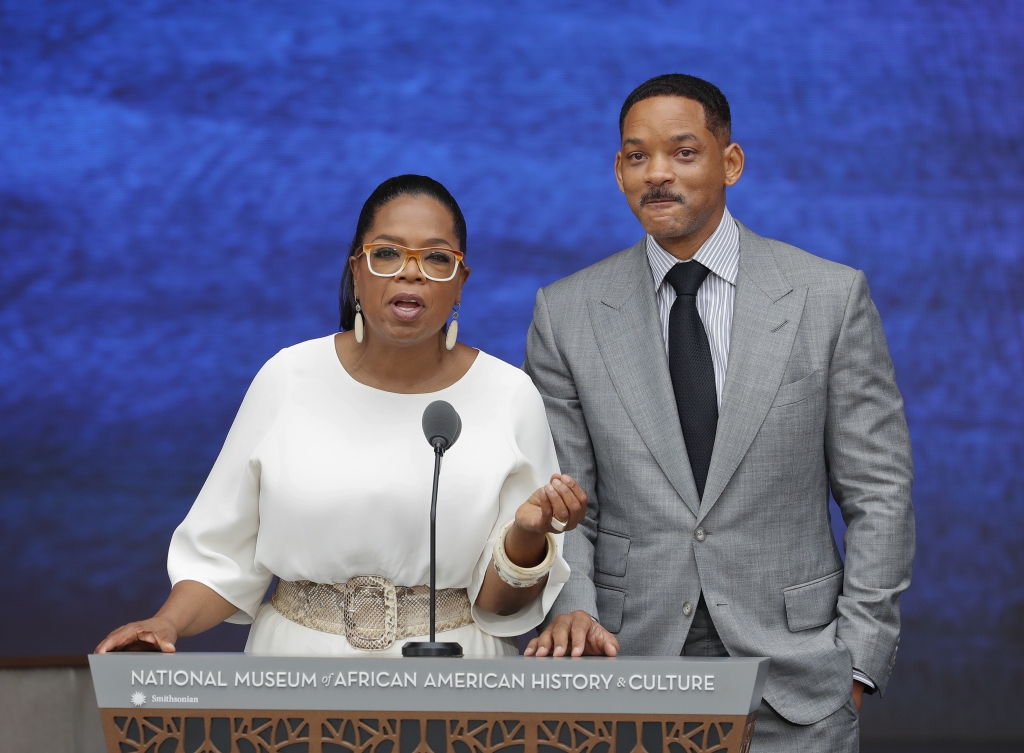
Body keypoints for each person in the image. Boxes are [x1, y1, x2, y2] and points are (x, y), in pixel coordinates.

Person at [522, 74, 914, 751]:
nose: (658, 175)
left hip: (797, 679)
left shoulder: (829, 297)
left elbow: (878, 491)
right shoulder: (565, 313)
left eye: (683, 152)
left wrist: (858, 660)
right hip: (625, 667)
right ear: (618, 171)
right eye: (637, 156)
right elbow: (564, 500)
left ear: (730, 162)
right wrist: (576, 608)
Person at [97, 174, 588, 656]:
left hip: (453, 678)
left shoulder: (509, 393)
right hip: (295, 670)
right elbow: (220, 559)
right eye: (388, 253)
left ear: (460, 283)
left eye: (437, 258)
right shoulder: (288, 377)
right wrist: (165, 624)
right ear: (357, 270)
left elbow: (501, 608)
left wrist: (528, 537)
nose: (411, 271)